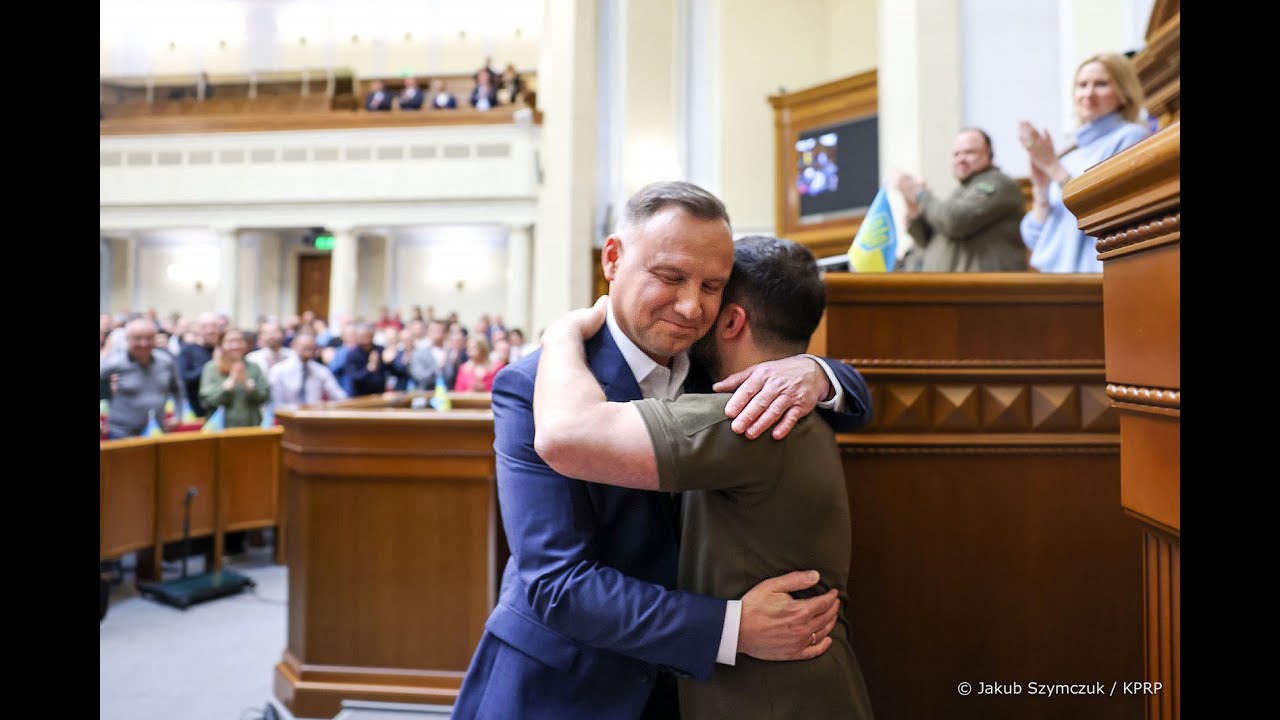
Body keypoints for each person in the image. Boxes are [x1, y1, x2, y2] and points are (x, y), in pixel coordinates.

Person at [452, 181, 873, 720]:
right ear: (613, 258)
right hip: (566, 685)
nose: (691, 305)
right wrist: (729, 627)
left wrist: (817, 371)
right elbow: (556, 584)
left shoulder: (719, 370)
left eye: (713, 285)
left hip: (687, 692)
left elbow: (859, 401)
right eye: (670, 277)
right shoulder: (533, 384)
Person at [1019, 53, 1151, 272]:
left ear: (1124, 94)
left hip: (1096, 279)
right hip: (1053, 282)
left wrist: (1054, 169)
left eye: (1101, 84)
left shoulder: (1131, 137)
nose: (1088, 94)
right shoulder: (1070, 154)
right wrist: (1041, 189)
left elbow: (1109, 210)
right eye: (1082, 85)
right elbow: (1034, 238)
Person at [892, 128, 1027, 272]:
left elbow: (955, 221)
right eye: (956, 154)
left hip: (984, 290)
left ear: (989, 154)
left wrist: (920, 195)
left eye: (969, 152)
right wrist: (913, 208)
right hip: (951, 289)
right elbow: (925, 240)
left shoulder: (999, 184)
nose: (961, 159)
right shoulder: (960, 192)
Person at [100, 318, 186, 439]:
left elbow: (178, 390)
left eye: (149, 338)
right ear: (127, 340)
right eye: (138, 338)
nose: (144, 343)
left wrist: (178, 415)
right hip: (121, 433)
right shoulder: (115, 362)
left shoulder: (165, 361)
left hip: (157, 431)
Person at [199, 328, 271, 427]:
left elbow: (264, 396)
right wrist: (228, 385)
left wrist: (249, 387)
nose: (235, 345)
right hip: (221, 430)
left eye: (239, 341)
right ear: (221, 344)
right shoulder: (211, 368)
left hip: (252, 427)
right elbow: (206, 401)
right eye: (230, 341)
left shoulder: (254, 367)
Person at [267, 331, 347, 409]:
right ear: (293, 346)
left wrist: (327, 406)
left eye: (312, 349)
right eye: (305, 348)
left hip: (314, 417)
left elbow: (339, 395)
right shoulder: (278, 371)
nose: (309, 353)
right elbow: (277, 404)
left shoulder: (321, 370)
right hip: (287, 417)